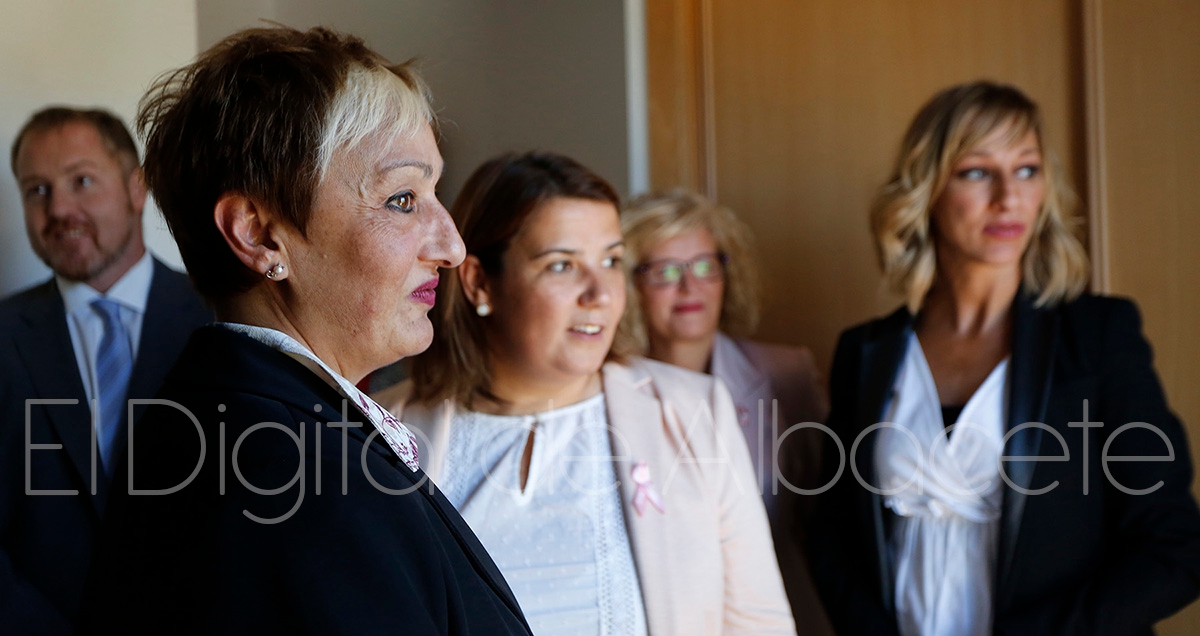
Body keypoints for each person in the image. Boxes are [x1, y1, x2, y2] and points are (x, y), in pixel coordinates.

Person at [78, 27, 531, 635]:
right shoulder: (294, 478)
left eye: (434, 193)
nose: (451, 246)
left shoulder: (242, 427)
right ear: (259, 234)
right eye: (402, 200)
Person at [808, 80, 1200, 636]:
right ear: (927, 189)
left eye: (1026, 170)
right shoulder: (867, 352)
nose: (1008, 197)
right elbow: (832, 535)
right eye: (976, 172)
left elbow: (1175, 549)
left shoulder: (1097, 338)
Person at [375, 151, 796, 635]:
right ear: (479, 282)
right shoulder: (385, 430)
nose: (601, 293)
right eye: (562, 266)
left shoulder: (696, 410)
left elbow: (758, 622)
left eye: (611, 261)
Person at [0, 106, 211, 631]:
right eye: (37, 190)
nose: (58, 209)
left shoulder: (220, 320)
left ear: (137, 189)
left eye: (82, 181)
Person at [620, 189, 831, 634]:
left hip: (778, 610)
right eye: (665, 271)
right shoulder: (605, 389)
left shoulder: (786, 374)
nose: (689, 287)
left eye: (704, 266)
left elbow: (824, 521)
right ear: (629, 285)